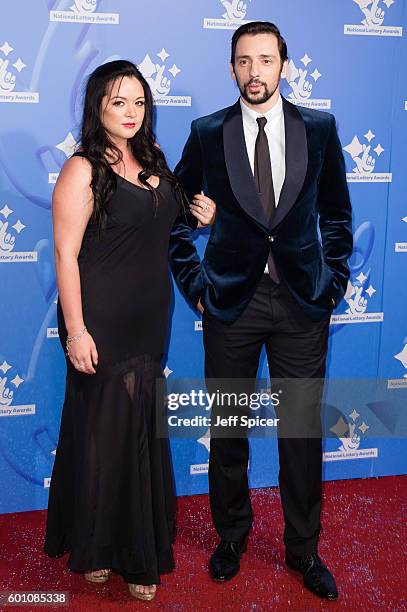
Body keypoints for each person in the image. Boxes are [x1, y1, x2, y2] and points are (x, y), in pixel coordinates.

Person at [172, 21, 353, 600]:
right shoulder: (207, 133)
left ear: (285, 66)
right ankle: (231, 537)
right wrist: (196, 287)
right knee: (229, 429)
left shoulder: (320, 129)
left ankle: (303, 548)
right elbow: (176, 218)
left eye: (266, 60)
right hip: (229, 304)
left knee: (301, 432)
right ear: (231, 69)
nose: (255, 71)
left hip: (303, 304)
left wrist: (335, 281)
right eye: (244, 61)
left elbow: (338, 215)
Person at [44, 60, 215, 602]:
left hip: (149, 318)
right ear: (98, 106)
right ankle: (101, 550)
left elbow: (161, 220)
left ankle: (124, 543)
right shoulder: (82, 170)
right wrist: (75, 330)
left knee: (137, 435)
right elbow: (65, 257)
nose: (130, 112)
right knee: (102, 434)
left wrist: (197, 213)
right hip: (101, 319)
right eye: (119, 102)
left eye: (139, 102)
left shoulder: (154, 160)